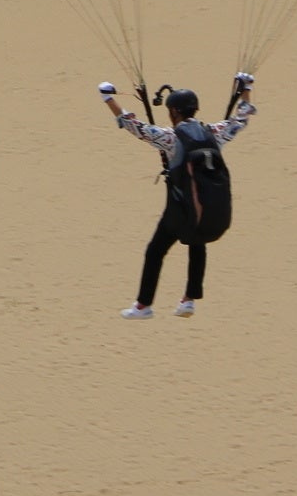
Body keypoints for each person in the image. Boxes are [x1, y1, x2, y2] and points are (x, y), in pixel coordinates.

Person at [96, 73, 254, 319]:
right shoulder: (214, 132)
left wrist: (108, 99)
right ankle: (189, 300)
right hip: (206, 213)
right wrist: (246, 88)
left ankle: (143, 306)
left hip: (179, 212)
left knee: (155, 251)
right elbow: (242, 117)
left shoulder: (170, 138)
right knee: (196, 240)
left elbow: (134, 126)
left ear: (174, 112)